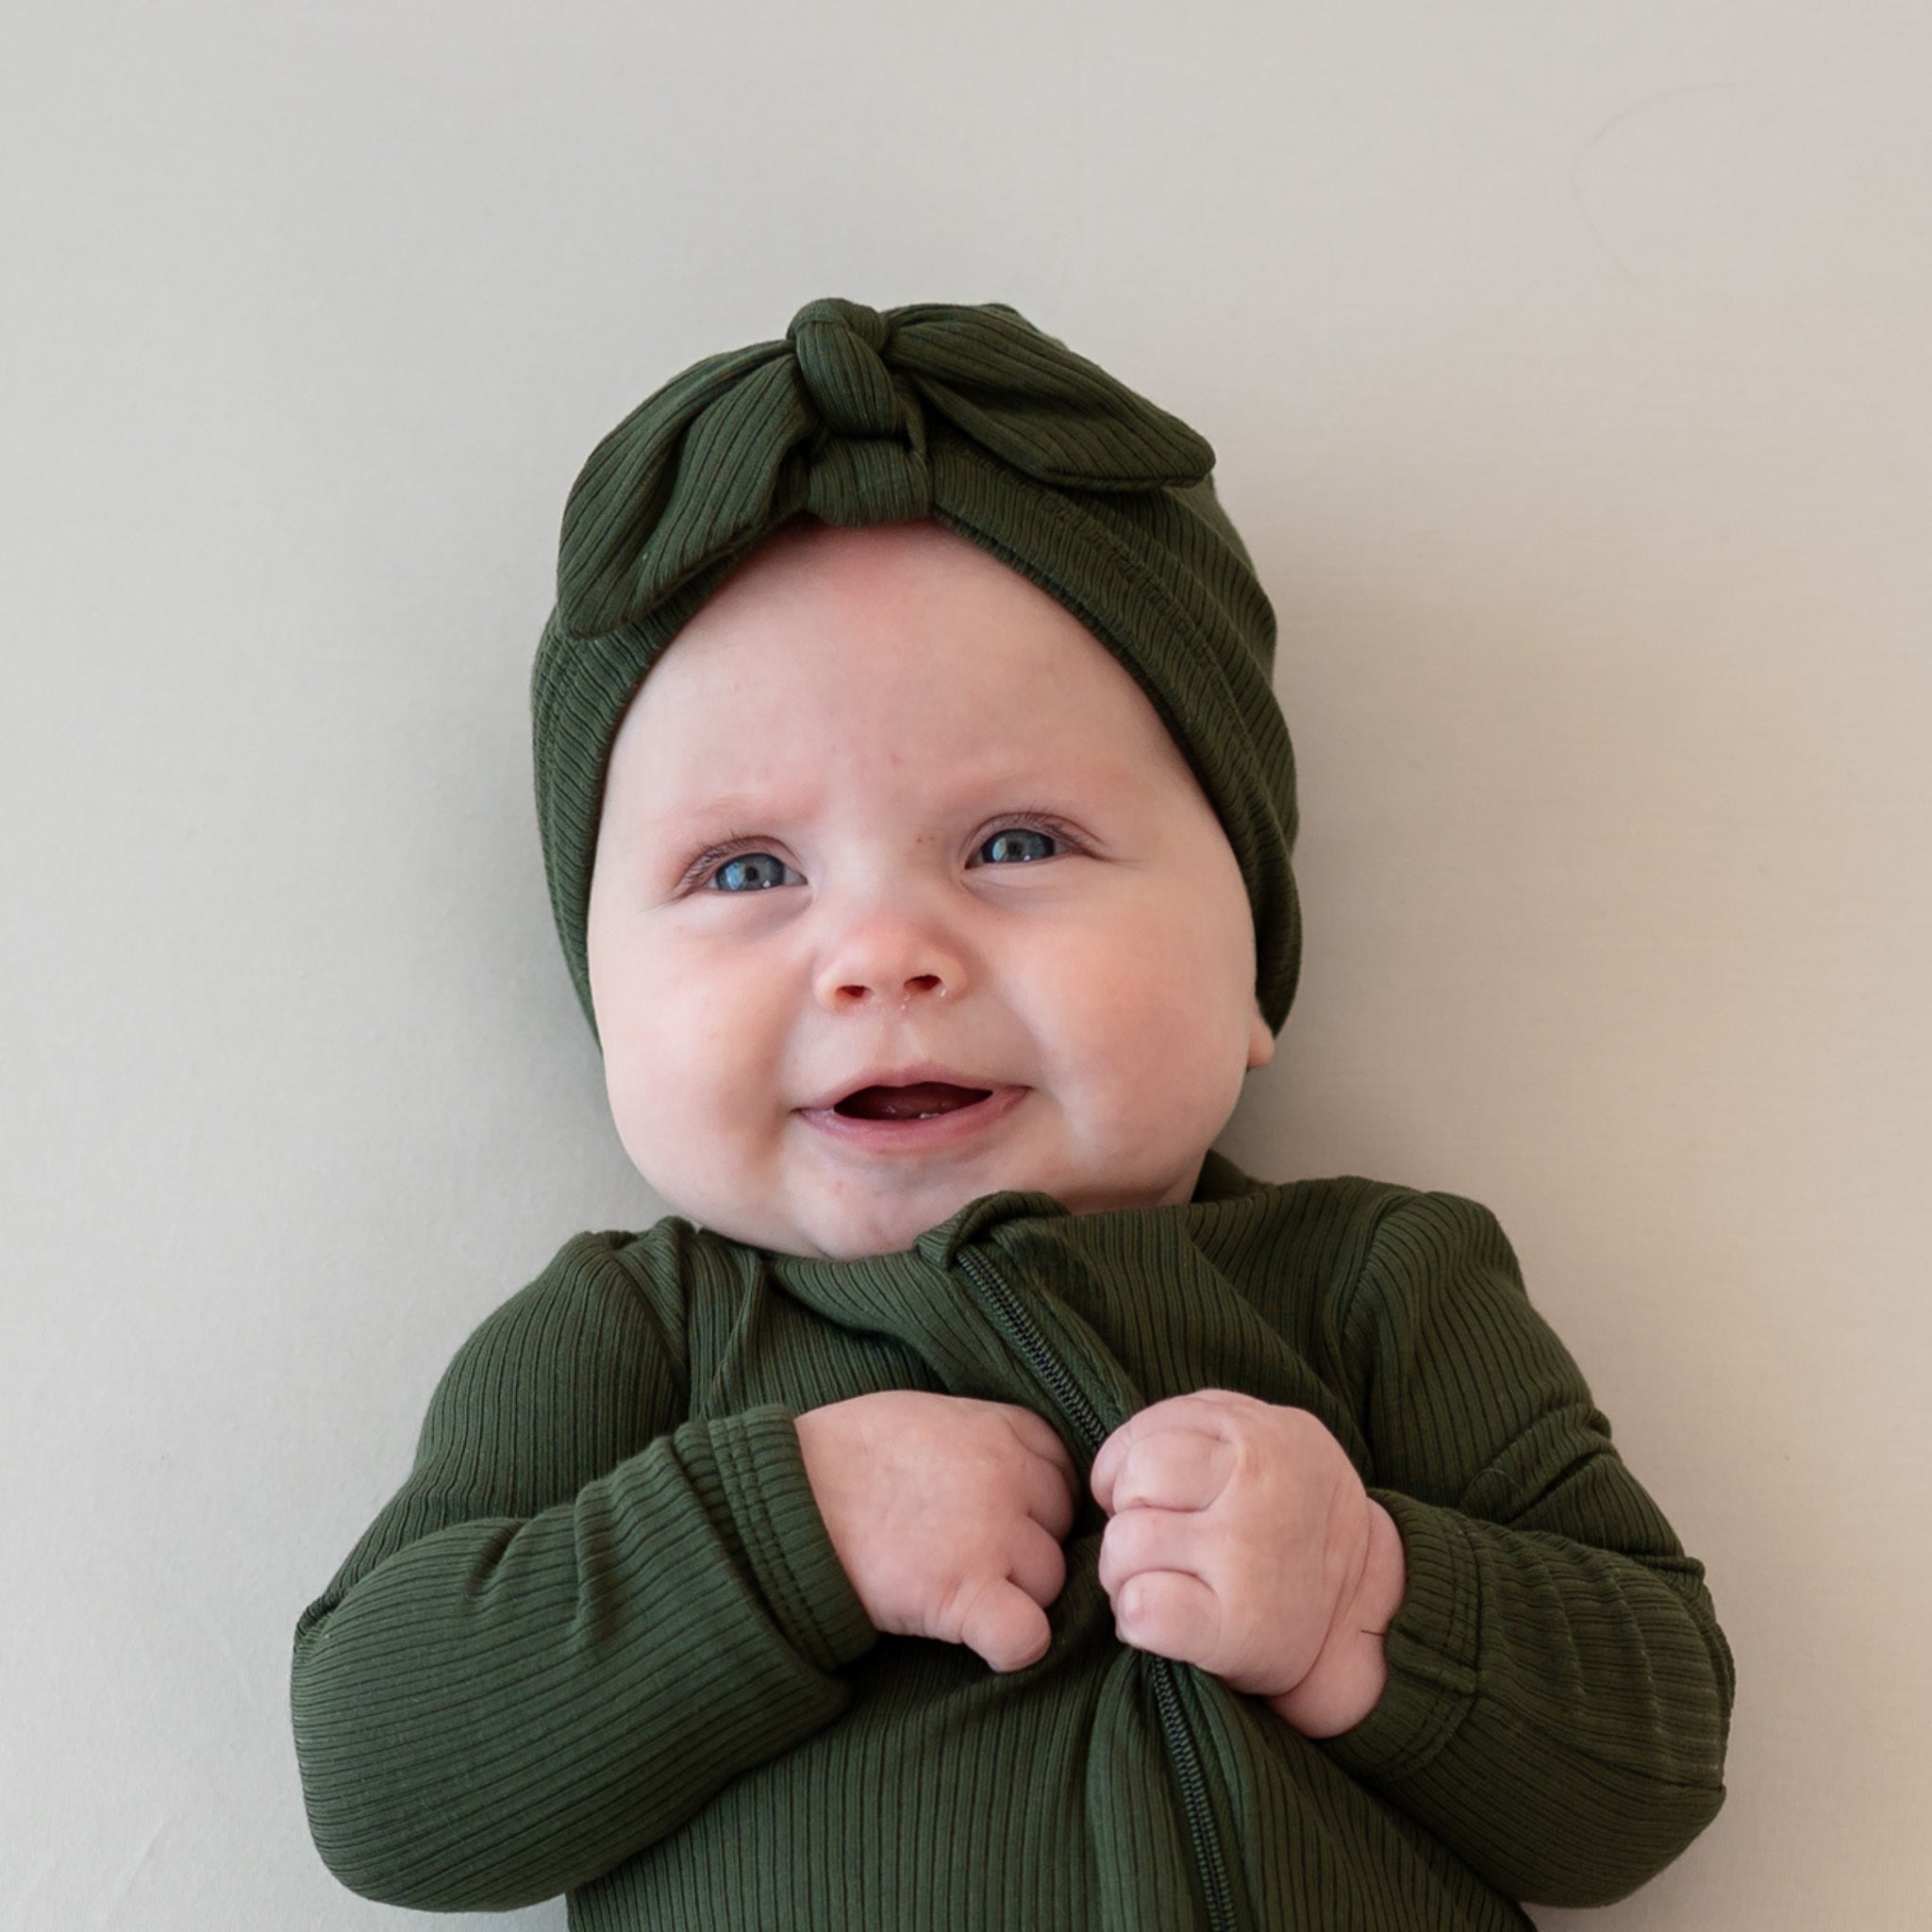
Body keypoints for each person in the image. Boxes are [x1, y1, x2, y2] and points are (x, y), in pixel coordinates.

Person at [291, 297, 1734, 1931]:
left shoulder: (1380, 1283)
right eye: (748, 871)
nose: (886, 956)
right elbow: (383, 1781)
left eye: (1020, 843)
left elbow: (1647, 1775)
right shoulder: (638, 1334)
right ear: (610, 1010)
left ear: (1251, 964)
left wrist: (1360, 1599)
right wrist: (781, 1537)